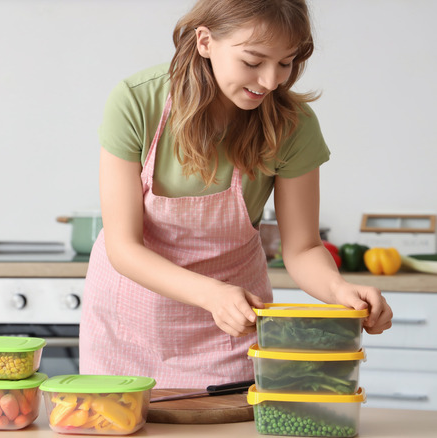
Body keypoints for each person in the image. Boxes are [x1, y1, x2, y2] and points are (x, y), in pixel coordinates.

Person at [79, 0, 393, 388]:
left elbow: (303, 248)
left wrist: (339, 290)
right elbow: (123, 246)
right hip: (128, 325)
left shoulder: (292, 124)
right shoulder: (137, 102)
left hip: (233, 328)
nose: (271, 81)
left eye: (286, 62)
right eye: (253, 61)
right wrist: (211, 295)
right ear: (206, 41)